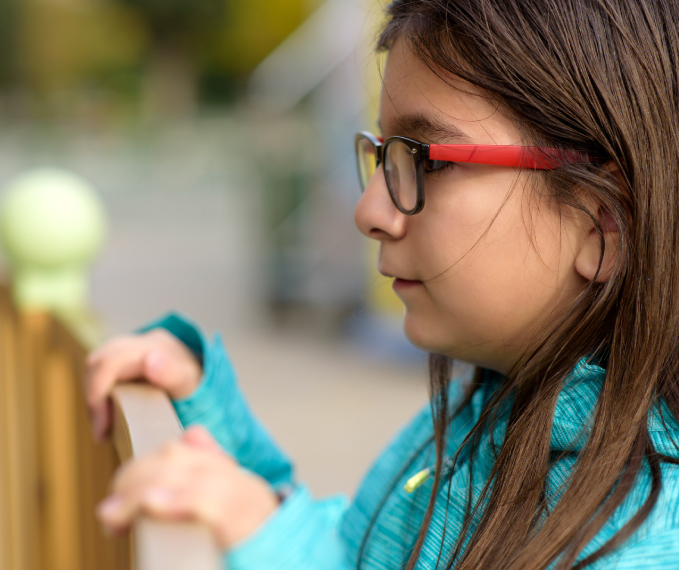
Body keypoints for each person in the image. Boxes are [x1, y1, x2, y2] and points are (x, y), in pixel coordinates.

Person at [85, 0, 679, 567]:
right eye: (383, 154)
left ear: (604, 226)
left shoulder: (646, 540)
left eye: (428, 160)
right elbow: (353, 553)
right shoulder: (486, 406)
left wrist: (273, 542)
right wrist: (206, 422)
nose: (369, 210)